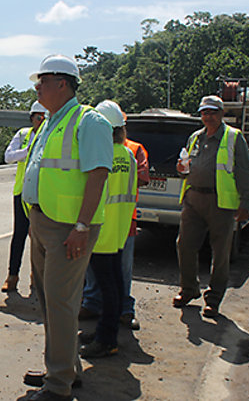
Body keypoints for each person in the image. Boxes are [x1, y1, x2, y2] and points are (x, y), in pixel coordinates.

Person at [20, 54, 113, 401]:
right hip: (43, 221)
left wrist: (82, 226)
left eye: (41, 81)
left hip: (68, 228)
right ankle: (65, 370)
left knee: (60, 303)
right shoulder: (50, 121)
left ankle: (57, 387)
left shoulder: (89, 122)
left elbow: (98, 175)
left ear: (62, 83)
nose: (37, 87)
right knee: (50, 301)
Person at [173, 95, 249, 318]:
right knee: (185, 245)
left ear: (221, 113)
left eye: (213, 112)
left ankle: (214, 298)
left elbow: (246, 172)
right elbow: (187, 168)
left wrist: (246, 202)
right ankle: (188, 289)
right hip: (193, 200)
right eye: (204, 112)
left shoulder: (233, 137)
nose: (208, 116)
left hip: (220, 203)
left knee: (220, 253)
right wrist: (182, 170)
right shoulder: (195, 138)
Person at [80, 104, 150, 331]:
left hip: (103, 224)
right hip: (122, 223)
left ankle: (110, 329)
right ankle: (98, 311)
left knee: (112, 277)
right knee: (114, 276)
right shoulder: (128, 154)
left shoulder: (108, 152)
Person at [1, 100, 47, 293]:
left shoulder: (52, 136)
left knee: (39, 238)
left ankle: (36, 277)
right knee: (19, 235)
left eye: (45, 117)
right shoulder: (23, 134)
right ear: (32, 118)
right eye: (38, 117)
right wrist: (29, 151)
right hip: (22, 193)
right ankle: (12, 276)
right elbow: (8, 156)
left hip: (44, 194)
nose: (41, 121)